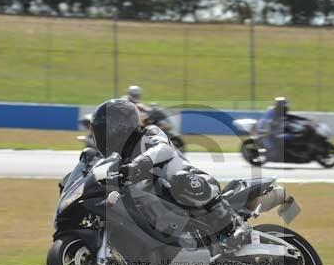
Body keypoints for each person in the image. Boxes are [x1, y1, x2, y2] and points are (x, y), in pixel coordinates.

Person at [90, 99, 246, 249]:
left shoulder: (148, 134)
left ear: (120, 126)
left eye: (104, 130)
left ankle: (235, 226)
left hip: (191, 184)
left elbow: (163, 148)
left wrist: (139, 163)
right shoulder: (117, 158)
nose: (102, 136)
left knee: (182, 180)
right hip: (160, 207)